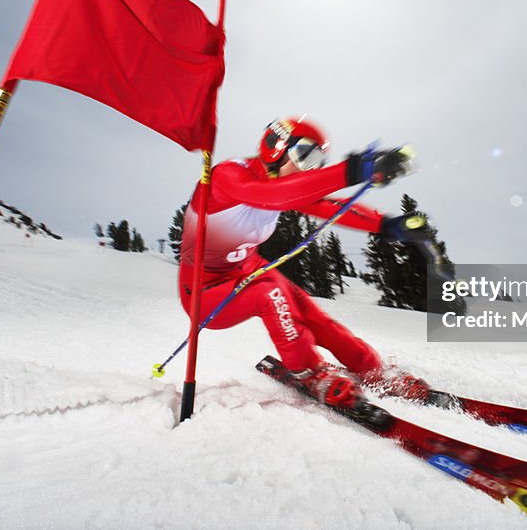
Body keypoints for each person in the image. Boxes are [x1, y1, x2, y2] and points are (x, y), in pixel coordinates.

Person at [178, 116, 435, 410]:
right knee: (270, 296)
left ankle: (372, 370)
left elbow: (326, 204)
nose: (309, 168)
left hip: (249, 269)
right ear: (276, 147)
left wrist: (386, 225)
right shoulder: (228, 176)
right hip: (205, 290)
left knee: (308, 311)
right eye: (305, 156)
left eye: (317, 162)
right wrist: (356, 170)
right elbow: (272, 196)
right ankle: (310, 373)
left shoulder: (281, 182)